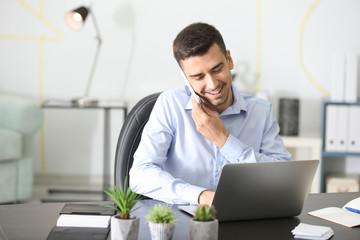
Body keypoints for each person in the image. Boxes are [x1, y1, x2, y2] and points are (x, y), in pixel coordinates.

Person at [129, 22, 291, 206]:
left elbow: (284, 179)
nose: (213, 84)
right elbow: (140, 174)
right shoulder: (170, 105)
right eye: (198, 77)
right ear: (185, 77)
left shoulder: (261, 111)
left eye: (217, 69)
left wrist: (224, 140)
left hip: (245, 219)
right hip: (183, 222)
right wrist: (201, 196)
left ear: (229, 60)